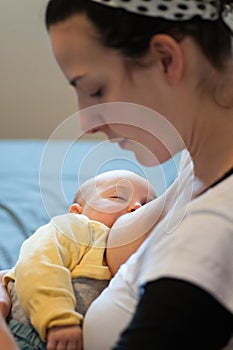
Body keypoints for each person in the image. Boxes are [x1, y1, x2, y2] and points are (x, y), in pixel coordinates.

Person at [0, 0, 233, 349]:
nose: (85, 122)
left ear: (166, 59)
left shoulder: (213, 238)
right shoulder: (198, 166)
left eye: (95, 90)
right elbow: (112, 246)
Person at [3, 169, 156, 350]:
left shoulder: (145, 251)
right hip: (32, 333)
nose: (137, 207)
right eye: (118, 197)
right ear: (77, 212)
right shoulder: (78, 228)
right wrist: (58, 318)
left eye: (147, 206)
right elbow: (38, 264)